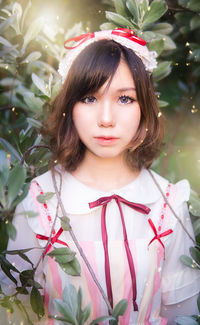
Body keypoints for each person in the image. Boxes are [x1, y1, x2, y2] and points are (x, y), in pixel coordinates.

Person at [0, 29, 199, 325]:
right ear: (71, 107)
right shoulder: (41, 200)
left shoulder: (167, 202)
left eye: (125, 99)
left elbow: (184, 316)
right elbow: (14, 310)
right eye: (90, 98)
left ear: (144, 108)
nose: (106, 118)